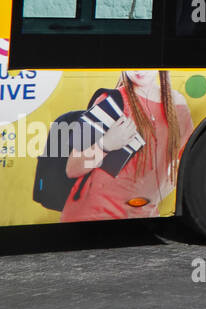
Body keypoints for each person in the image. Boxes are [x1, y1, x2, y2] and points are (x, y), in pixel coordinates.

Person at [61, 70, 194, 222]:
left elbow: (182, 163)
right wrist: (105, 144)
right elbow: (72, 168)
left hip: (144, 215)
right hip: (94, 214)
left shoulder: (178, 105)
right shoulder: (110, 102)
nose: (138, 69)